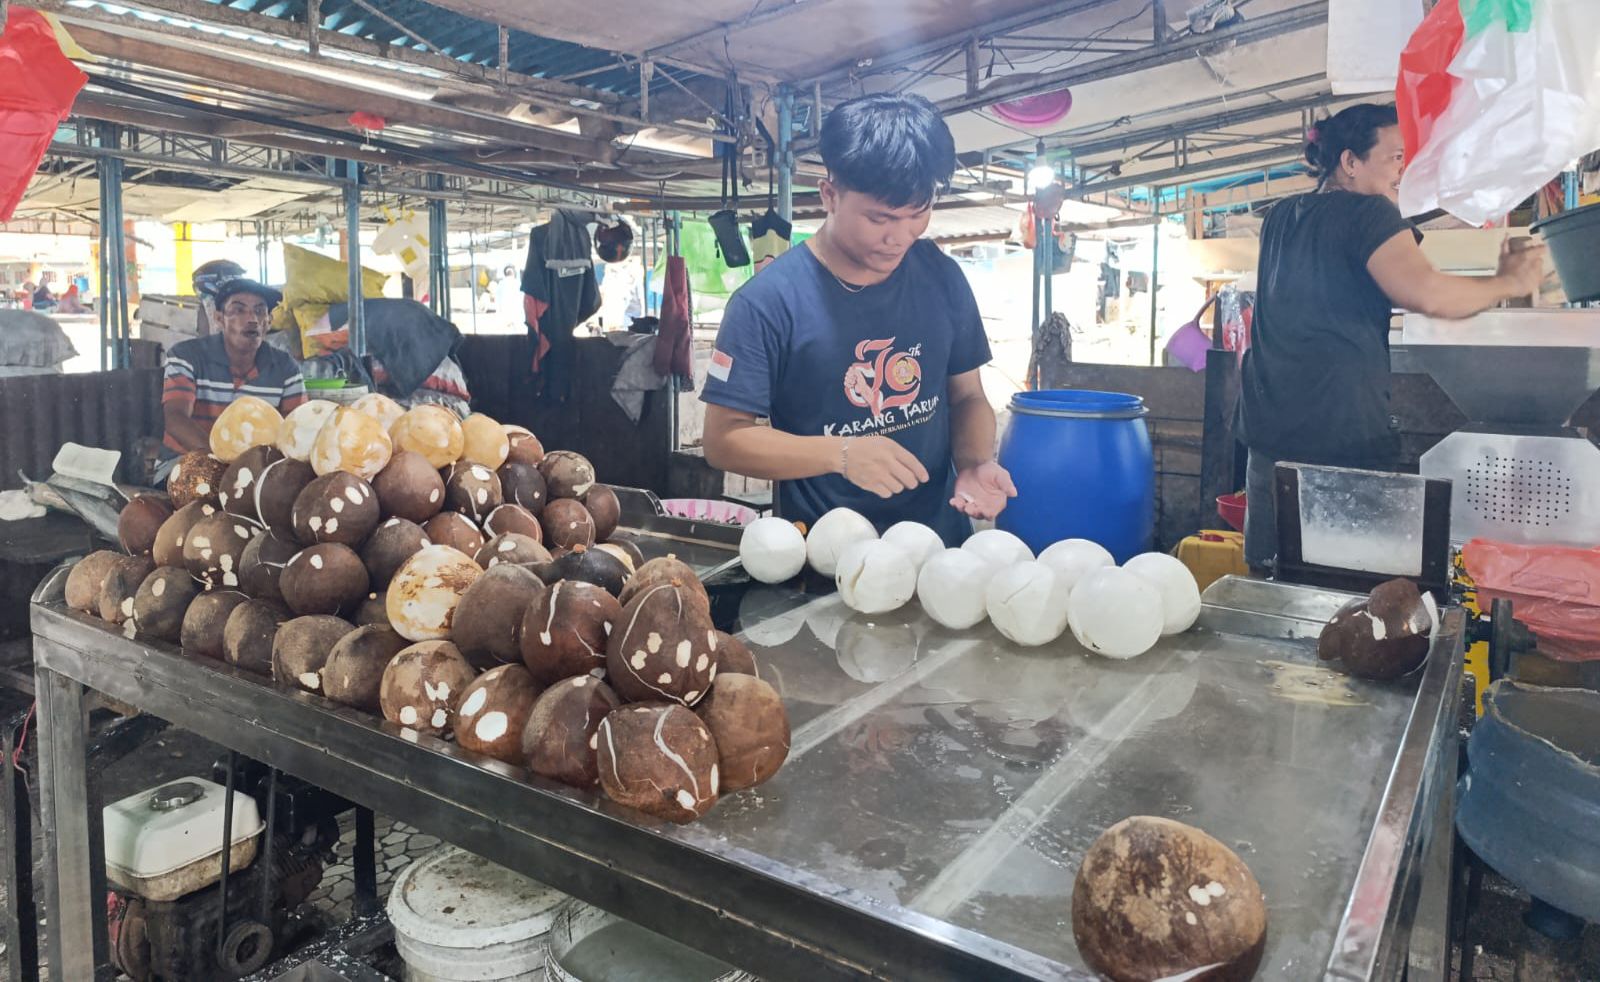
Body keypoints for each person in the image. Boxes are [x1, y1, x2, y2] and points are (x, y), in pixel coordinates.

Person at [1238, 103, 1547, 571]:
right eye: (1395, 157)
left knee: (1269, 583)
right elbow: (1426, 292)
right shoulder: (1369, 214)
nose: (1403, 169)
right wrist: (1508, 282)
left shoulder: (1281, 216)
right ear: (1349, 162)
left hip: (1268, 438)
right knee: (1344, 595)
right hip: (1337, 439)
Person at [700, 92, 1014, 545]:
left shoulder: (941, 276)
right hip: (822, 558)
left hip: (938, 547)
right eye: (879, 218)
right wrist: (841, 454)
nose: (899, 237)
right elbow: (724, 439)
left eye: (918, 214)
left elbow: (967, 396)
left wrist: (973, 462)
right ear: (830, 195)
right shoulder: (766, 303)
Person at [160, 277, 306, 470]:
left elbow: (295, 431)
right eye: (238, 310)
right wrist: (222, 464)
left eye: (260, 311)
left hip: (254, 471)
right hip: (184, 463)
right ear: (219, 318)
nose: (252, 319)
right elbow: (175, 418)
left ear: (269, 321)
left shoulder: (286, 368)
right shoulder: (186, 356)